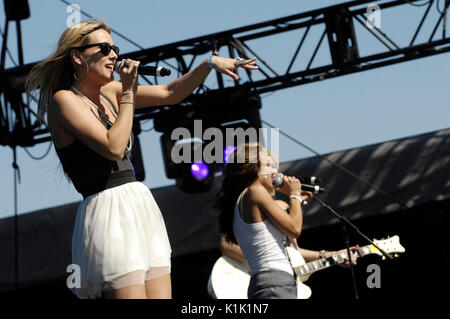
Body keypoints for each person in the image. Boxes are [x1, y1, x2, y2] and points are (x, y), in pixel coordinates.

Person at [25, 18, 258, 299]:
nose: (114, 54)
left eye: (115, 48)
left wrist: (208, 64)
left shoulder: (110, 92)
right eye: (104, 48)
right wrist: (127, 91)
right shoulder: (64, 101)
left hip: (137, 202)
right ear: (77, 56)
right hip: (108, 209)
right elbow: (113, 147)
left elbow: (169, 93)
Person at [215, 143, 358, 299]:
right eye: (268, 165)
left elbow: (292, 249)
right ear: (253, 169)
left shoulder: (247, 197)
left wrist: (331, 254)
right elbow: (294, 228)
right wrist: (294, 195)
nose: (275, 171)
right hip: (274, 282)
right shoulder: (255, 191)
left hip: (275, 282)